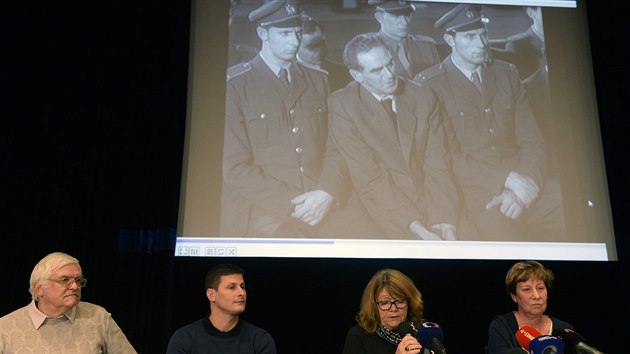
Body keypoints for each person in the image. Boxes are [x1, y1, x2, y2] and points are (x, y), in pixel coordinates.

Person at [221, 0, 378, 238]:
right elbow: (235, 169)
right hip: (267, 207)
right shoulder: (235, 85)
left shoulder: (318, 79)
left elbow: (335, 146)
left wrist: (327, 191)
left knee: (371, 237)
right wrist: (293, 204)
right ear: (262, 33)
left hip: (322, 196)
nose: (293, 42)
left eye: (297, 33)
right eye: (284, 34)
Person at [415, 4, 566, 241]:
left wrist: (522, 190)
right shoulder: (429, 85)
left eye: (483, 35)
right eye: (470, 37)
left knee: (577, 213)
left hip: (523, 182)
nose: (481, 43)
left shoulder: (506, 74)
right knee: (509, 255)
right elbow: (444, 156)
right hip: (478, 193)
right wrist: (505, 179)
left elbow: (533, 139)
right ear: (450, 39)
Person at [328, 32, 458, 240]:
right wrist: (418, 228)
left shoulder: (422, 95)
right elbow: (370, 178)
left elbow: (438, 163)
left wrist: (445, 221)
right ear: (357, 75)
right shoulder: (342, 105)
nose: (389, 75)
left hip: (434, 201)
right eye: (377, 70)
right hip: (385, 209)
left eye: (390, 64)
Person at [0, 251, 137, 354]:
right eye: (65, 280)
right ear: (39, 288)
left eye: (78, 280)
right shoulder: (5, 328)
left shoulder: (98, 317)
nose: (75, 286)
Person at [166, 263, 276, 354]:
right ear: (211, 295)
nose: (241, 293)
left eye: (242, 287)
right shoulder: (185, 338)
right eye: (232, 287)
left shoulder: (260, 339)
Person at [486, 260, 574, 354]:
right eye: (527, 289)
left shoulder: (564, 330)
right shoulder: (502, 327)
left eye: (540, 288)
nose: (536, 296)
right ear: (514, 297)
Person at [342, 268, 426, 354]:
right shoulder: (358, 336)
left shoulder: (425, 332)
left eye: (400, 301)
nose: (393, 309)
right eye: (385, 303)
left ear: (410, 303)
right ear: (374, 305)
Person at [369, 1, 441, 80]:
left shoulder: (427, 46)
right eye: (396, 16)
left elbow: (439, 80)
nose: (405, 22)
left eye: (407, 15)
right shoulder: (368, 50)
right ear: (379, 17)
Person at [297, 15, 352, 92]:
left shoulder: (344, 73)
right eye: (312, 47)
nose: (320, 50)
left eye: (322, 44)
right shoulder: (288, 76)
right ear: (296, 47)